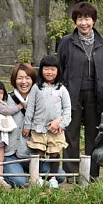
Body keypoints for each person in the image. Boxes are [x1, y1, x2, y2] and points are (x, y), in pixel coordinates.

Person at [57, 1, 103, 180]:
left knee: (93, 135)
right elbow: (60, 67)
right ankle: (71, 173)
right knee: (71, 132)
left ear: (93, 20)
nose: (83, 23)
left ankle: (91, 173)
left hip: (95, 95)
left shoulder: (102, 43)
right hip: (72, 94)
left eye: (87, 18)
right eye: (79, 19)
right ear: (75, 21)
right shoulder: (67, 41)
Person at [3, 62, 66, 187]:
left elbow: (61, 111)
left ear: (33, 80)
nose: (24, 82)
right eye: (20, 78)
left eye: (28, 78)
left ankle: (31, 173)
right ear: (14, 80)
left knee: (60, 176)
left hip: (33, 155)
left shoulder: (42, 99)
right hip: (12, 154)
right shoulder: (7, 100)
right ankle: (23, 174)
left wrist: (59, 122)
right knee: (18, 181)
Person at [22, 55, 71, 189]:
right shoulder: (36, 88)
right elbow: (30, 108)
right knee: (39, 152)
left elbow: (67, 110)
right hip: (38, 127)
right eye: (46, 69)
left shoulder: (62, 89)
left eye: (52, 69)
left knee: (54, 153)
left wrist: (61, 123)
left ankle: (53, 177)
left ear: (58, 71)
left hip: (56, 130)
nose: (49, 72)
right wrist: (27, 125)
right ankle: (37, 177)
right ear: (41, 70)